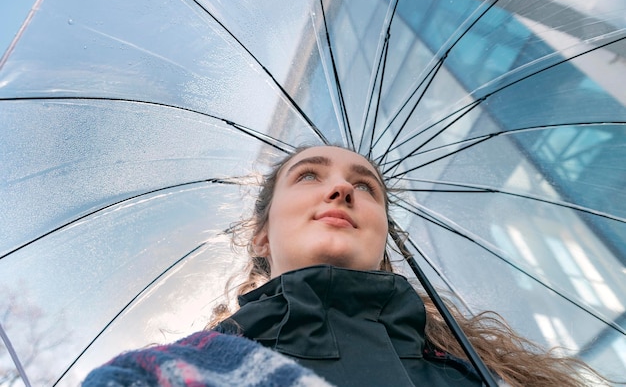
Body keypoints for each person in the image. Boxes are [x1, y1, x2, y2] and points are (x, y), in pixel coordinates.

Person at [85, 145, 610, 387]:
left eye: (365, 187)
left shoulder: (488, 374)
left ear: (385, 239)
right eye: (309, 176)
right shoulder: (169, 376)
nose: (342, 188)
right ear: (261, 234)